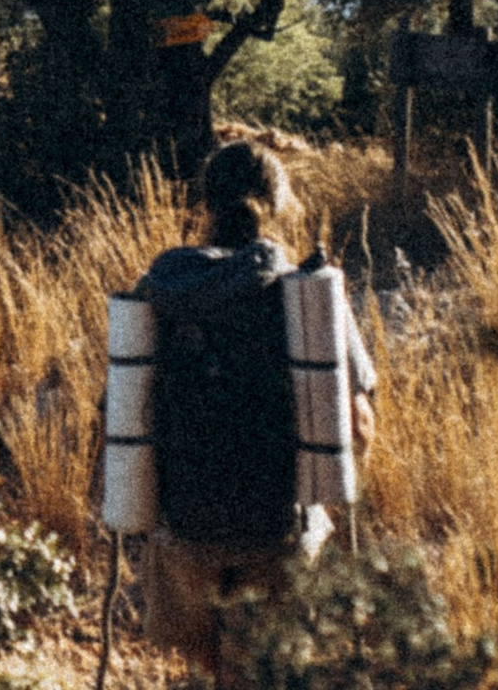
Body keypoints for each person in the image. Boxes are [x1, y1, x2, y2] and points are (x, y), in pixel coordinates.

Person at [134, 139, 378, 684]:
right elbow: (359, 424)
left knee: (216, 668)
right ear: (280, 201)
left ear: (205, 205)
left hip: (183, 535)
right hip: (275, 534)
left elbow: (119, 419)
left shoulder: (161, 288)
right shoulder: (307, 293)